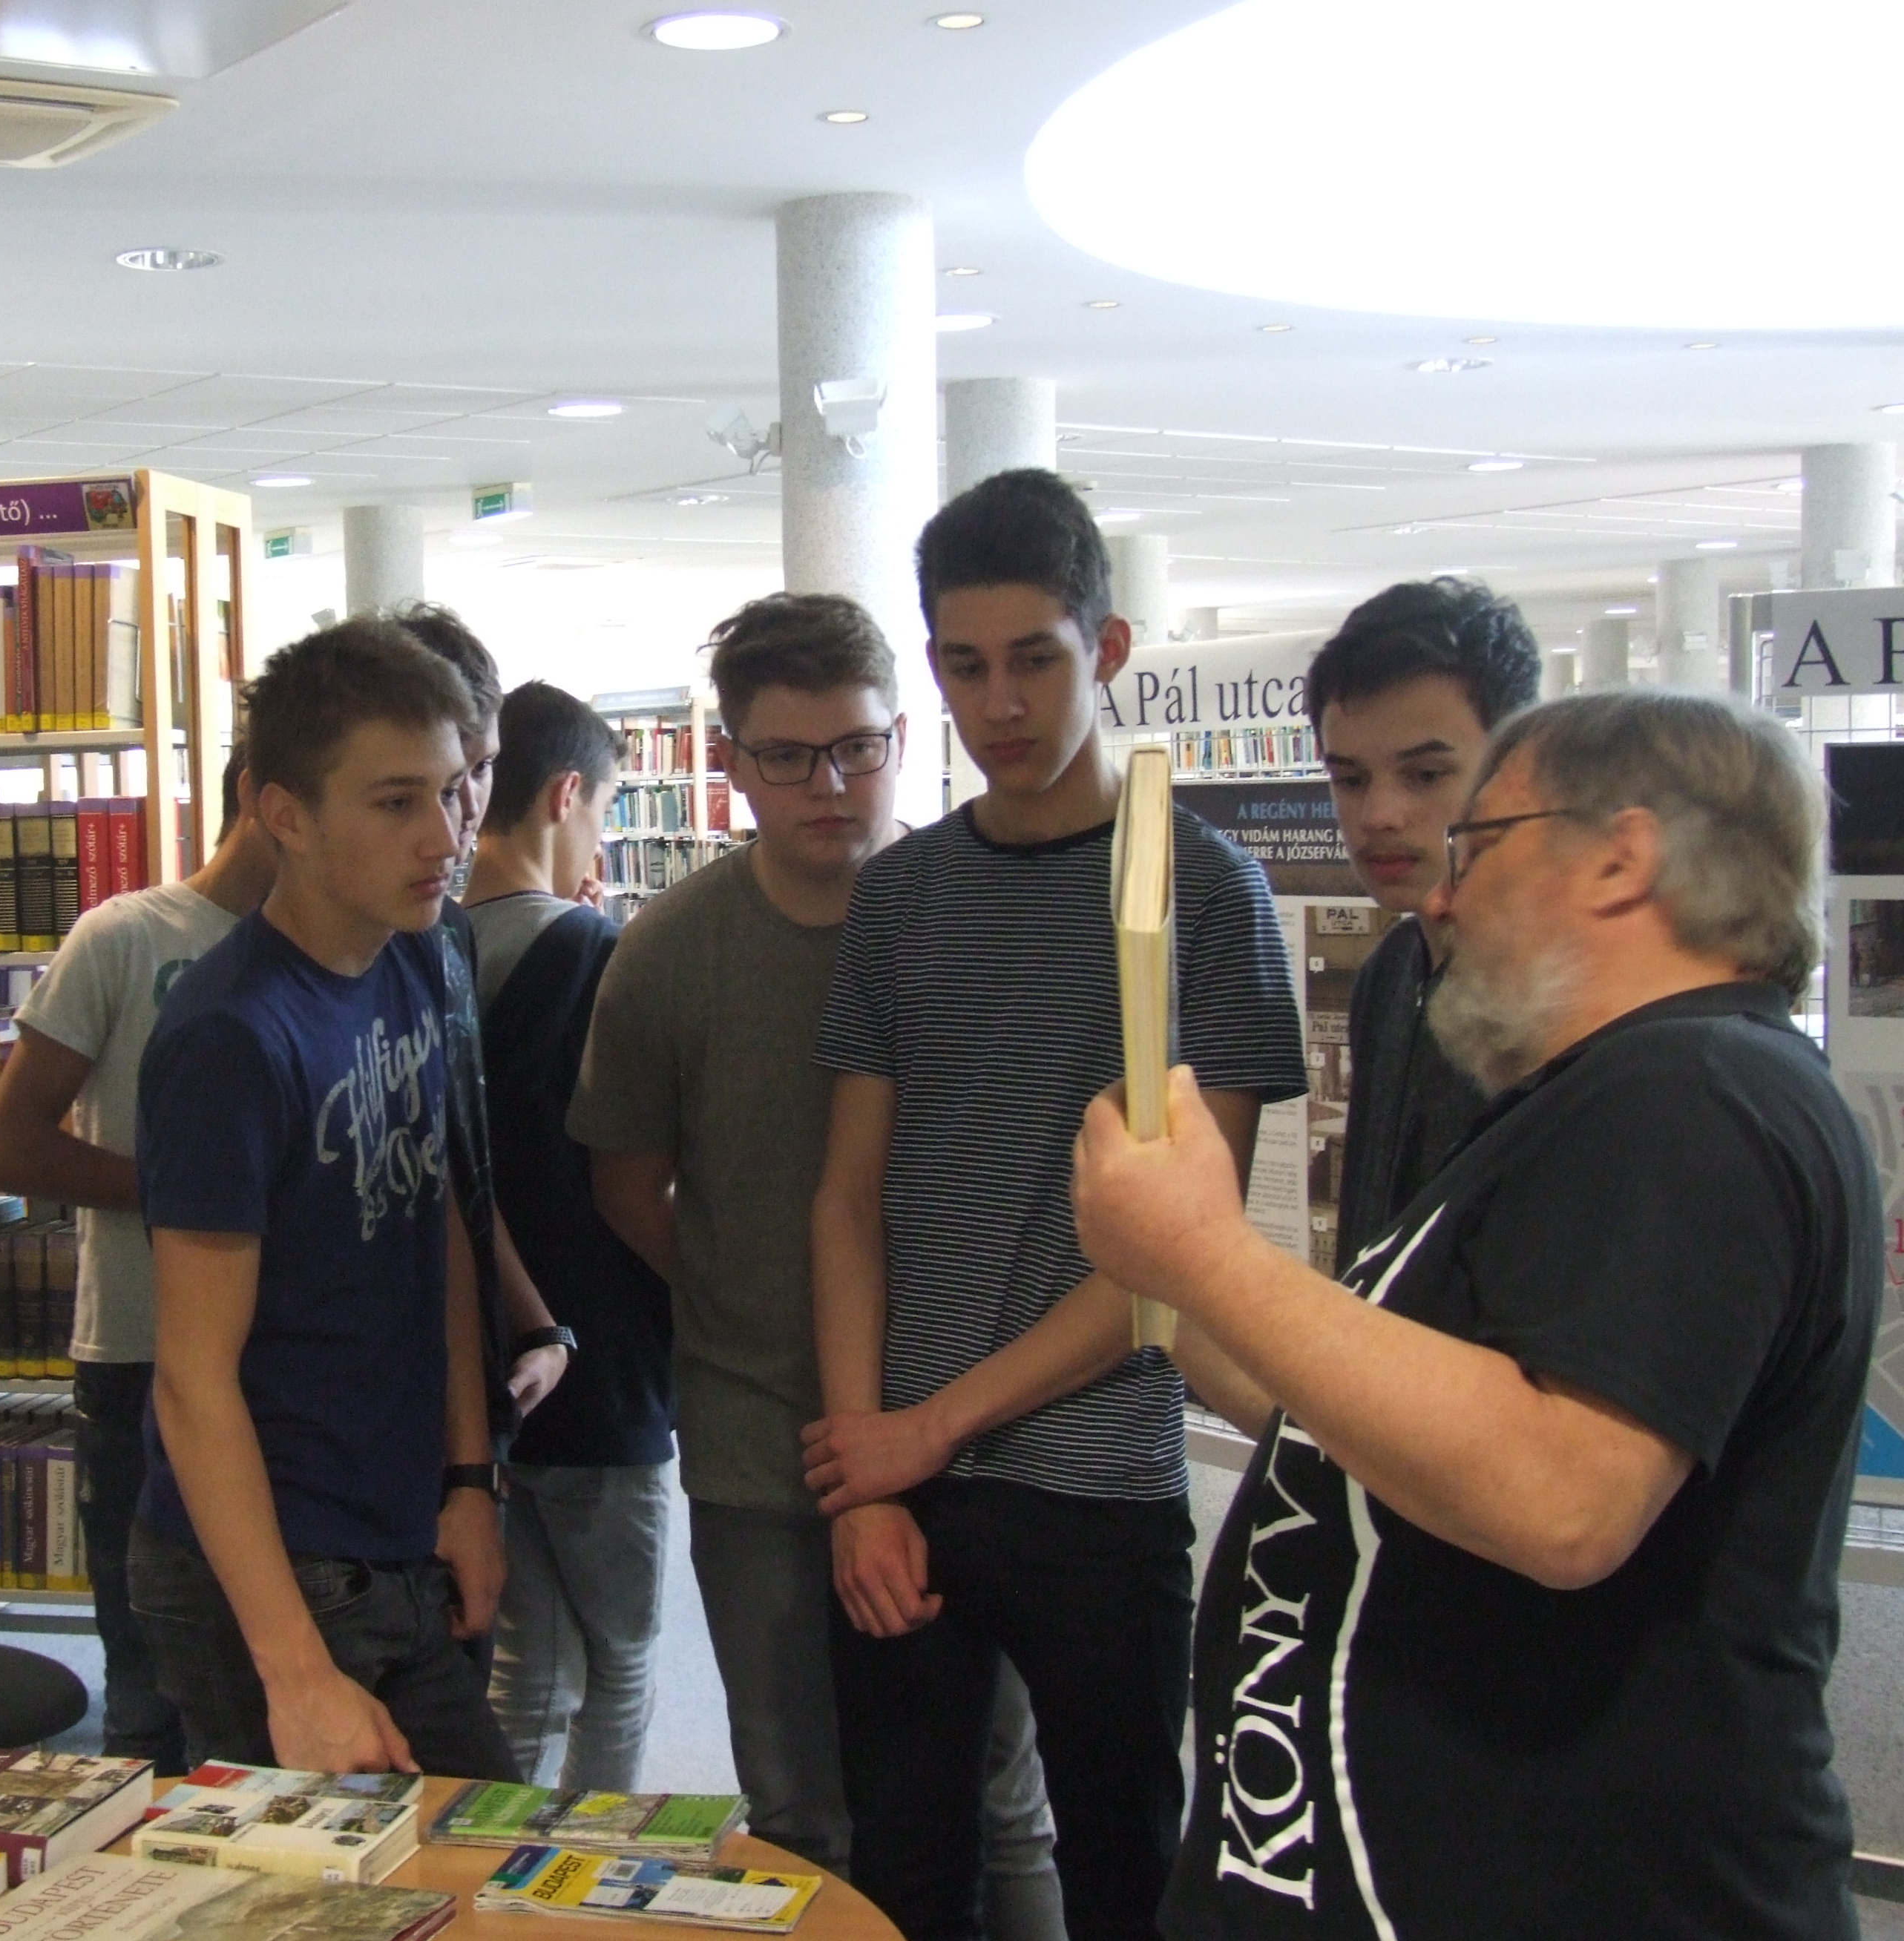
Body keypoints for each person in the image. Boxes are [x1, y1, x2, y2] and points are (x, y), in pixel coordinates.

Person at [1071, 689, 1874, 1939]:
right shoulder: (1599, 1102)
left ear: (1619, 856)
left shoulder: (1693, 1094)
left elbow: (1560, 1496)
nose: (1442, 896)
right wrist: (1171, 1285)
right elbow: (1392, 1425)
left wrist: (1205, 1255)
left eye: (1480, 843)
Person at [803, 468, 1305, 1941]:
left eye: (1034, 658)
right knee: (902, 1872)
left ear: (1108, 648)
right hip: (902, 1480)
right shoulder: (901, 897)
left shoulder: (1203, 894)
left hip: (1097, 1482)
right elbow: (846, 1202)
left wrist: (925, 1431)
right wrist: (870, 1476)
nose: (1000, 703)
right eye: (964, 666)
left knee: (1124, 1873)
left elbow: (1178, 1258)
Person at [570, 593, 1060, 1941]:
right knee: (798, 1809)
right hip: (758, 1443)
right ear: (728, 762)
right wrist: (739, 1295)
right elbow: (627, 1187)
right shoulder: (670, 952)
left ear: (901, 734)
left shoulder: (983, 917)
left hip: (973, 1427)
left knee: (1000, 1794)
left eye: (855, 748)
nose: (828, 786)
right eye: (786, 757)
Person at [123, 619, 515, 1778]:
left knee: (481, 1849)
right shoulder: (229, 1037)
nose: (445, 835)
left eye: (452, 790)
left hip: (399, 1535)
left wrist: (468, 1477)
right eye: (396, 803)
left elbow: (437, 1222)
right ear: (283, 815)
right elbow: (192, 1379)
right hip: (268, 1573)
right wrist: (294, 1673)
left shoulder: (418, 953)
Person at [0, 744, 277, 1770]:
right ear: (263, 800)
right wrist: (194, 1194)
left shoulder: (339, 944)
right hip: (141, 1350)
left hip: (287, 1353)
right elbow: (11, 1150)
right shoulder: (124, 937)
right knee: (150, 1677)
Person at [462, 680, 673, 1790]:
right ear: (564, 795)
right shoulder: (595, 953)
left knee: (527, 1662)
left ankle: (506, 1857)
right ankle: (597, 1863)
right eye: (603, 808)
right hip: (602, 1365)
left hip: (481, 1363)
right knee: (623, 1659)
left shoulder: (425, 950)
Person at [1308, 578, 1541, 1274]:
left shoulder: (1560, 997)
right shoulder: (1391, 970)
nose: (1379, 816)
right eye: (1350, 780)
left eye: (1426, 775)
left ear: (1516, 767)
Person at [391, 602, 573, 1452]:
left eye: (484, 769)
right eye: (436, 781)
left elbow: (455, 1166)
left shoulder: (449, 936)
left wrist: (538, 1324)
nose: (465, 809)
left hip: (464, 1380)